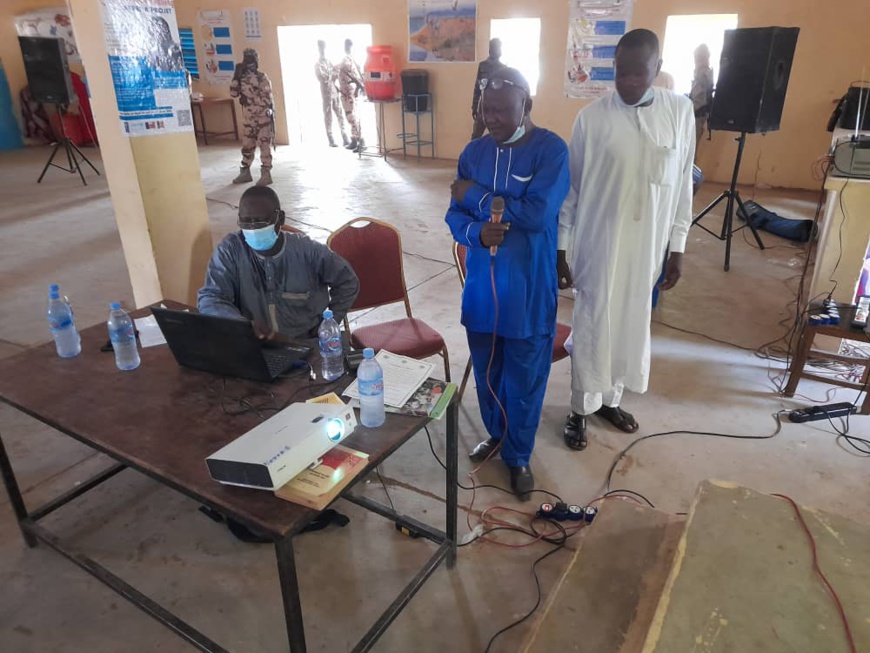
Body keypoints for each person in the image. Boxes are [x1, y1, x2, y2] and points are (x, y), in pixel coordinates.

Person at [557, 29, 695, 451]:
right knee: (593, 324)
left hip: (647, 250)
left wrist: (677, 248)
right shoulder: (592, 118)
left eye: (639, 73)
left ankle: (609, 401)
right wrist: (562, 249)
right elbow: (573, 191)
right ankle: (580, 409)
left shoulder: (679, 111)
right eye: (621, 72)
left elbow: (683, 184)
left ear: (657, 67)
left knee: (631, 325)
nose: (629, 82)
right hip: (599, 245)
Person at [445, 67, 570, 498]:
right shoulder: (473, 152)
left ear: (527, 106)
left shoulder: (550, 150)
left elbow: (537, 214)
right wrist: (474, 232)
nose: (492, 119)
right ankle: (496, 435)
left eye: (501, 110)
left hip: (528, 291)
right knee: (487, 373)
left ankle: (518, 456)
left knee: (524, 380)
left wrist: (476, 197)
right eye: (486, 111)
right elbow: (453, 215)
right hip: (482, 290)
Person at [198, 186, 360, 340]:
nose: (253, 229)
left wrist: (329, 321)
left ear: (279, 218)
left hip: (306, 342)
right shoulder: (230, 251)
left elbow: (348, 281)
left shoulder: (308, 251)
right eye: (246, 222)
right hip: (254, 343)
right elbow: (211, 298)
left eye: (260, 222)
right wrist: (241, 325)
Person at [230, 48, 275, 186]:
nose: (249, 64)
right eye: (246, 60)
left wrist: (251, 100)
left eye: (251, 60)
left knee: (264, 145)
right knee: (247, 145)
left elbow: (267, 100)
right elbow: (233, 93)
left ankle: (266, 174)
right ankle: (245, 172)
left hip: (262, 119)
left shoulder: (262, 77)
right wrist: (236, 77)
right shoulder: (241, 78)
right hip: (249, 119)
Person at [314, 40, 350, 148]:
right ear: (319, 49)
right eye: (321, 48)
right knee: (328, 116)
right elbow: (322, 77)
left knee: (340, 115)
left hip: (334, 92)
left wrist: (332, 75)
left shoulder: (329, 62)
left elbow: (335, 74)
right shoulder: (318, 64)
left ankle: (345, 137)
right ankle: (331, 139)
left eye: (324, 47)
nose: (323, 50)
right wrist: (332, 74)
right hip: (326, 94)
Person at [337, 39, 366, 152]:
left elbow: (338, 68)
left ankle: (361, 141)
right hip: (349, 93)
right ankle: (354, 139)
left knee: (352, 117)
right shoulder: (352, 59)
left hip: (349, 93)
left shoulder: (347, 60)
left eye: (347, 46)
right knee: (350, 116)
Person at [470, 38, 503, 140]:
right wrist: (474, 106)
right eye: (496, 48)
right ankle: (472, 156)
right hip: (483, 107)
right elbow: (477, 87)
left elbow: (504, 93)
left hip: (496, 108)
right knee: (476, 136)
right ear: (490, 50)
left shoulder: (503, 68)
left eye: (499, 48)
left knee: (498, 136)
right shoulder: (483, 66)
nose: (498, 51)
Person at [690, 44, 714, 156]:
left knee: (691, 151)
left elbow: (702, 99)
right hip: (694, 114)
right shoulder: (700, 72)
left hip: (698, 115)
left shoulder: (704, 73)